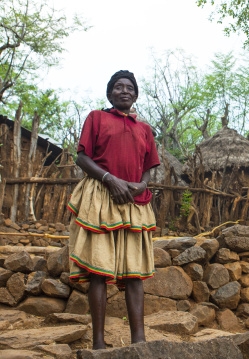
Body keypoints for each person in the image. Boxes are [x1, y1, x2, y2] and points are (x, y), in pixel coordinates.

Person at [67, 70, 160, 349]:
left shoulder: (144, 129)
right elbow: (82, 157)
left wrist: (141, 186)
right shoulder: (96, 118)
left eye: (129, 87)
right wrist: (109, 179)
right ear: (109, 94)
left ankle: (139, 342)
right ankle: (98, 343)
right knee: (99, 269)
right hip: (100, 196)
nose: (124, 91)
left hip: (133, 201)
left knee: (134, 272)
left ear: (136, 95)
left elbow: (149, 169)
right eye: (118, 87)